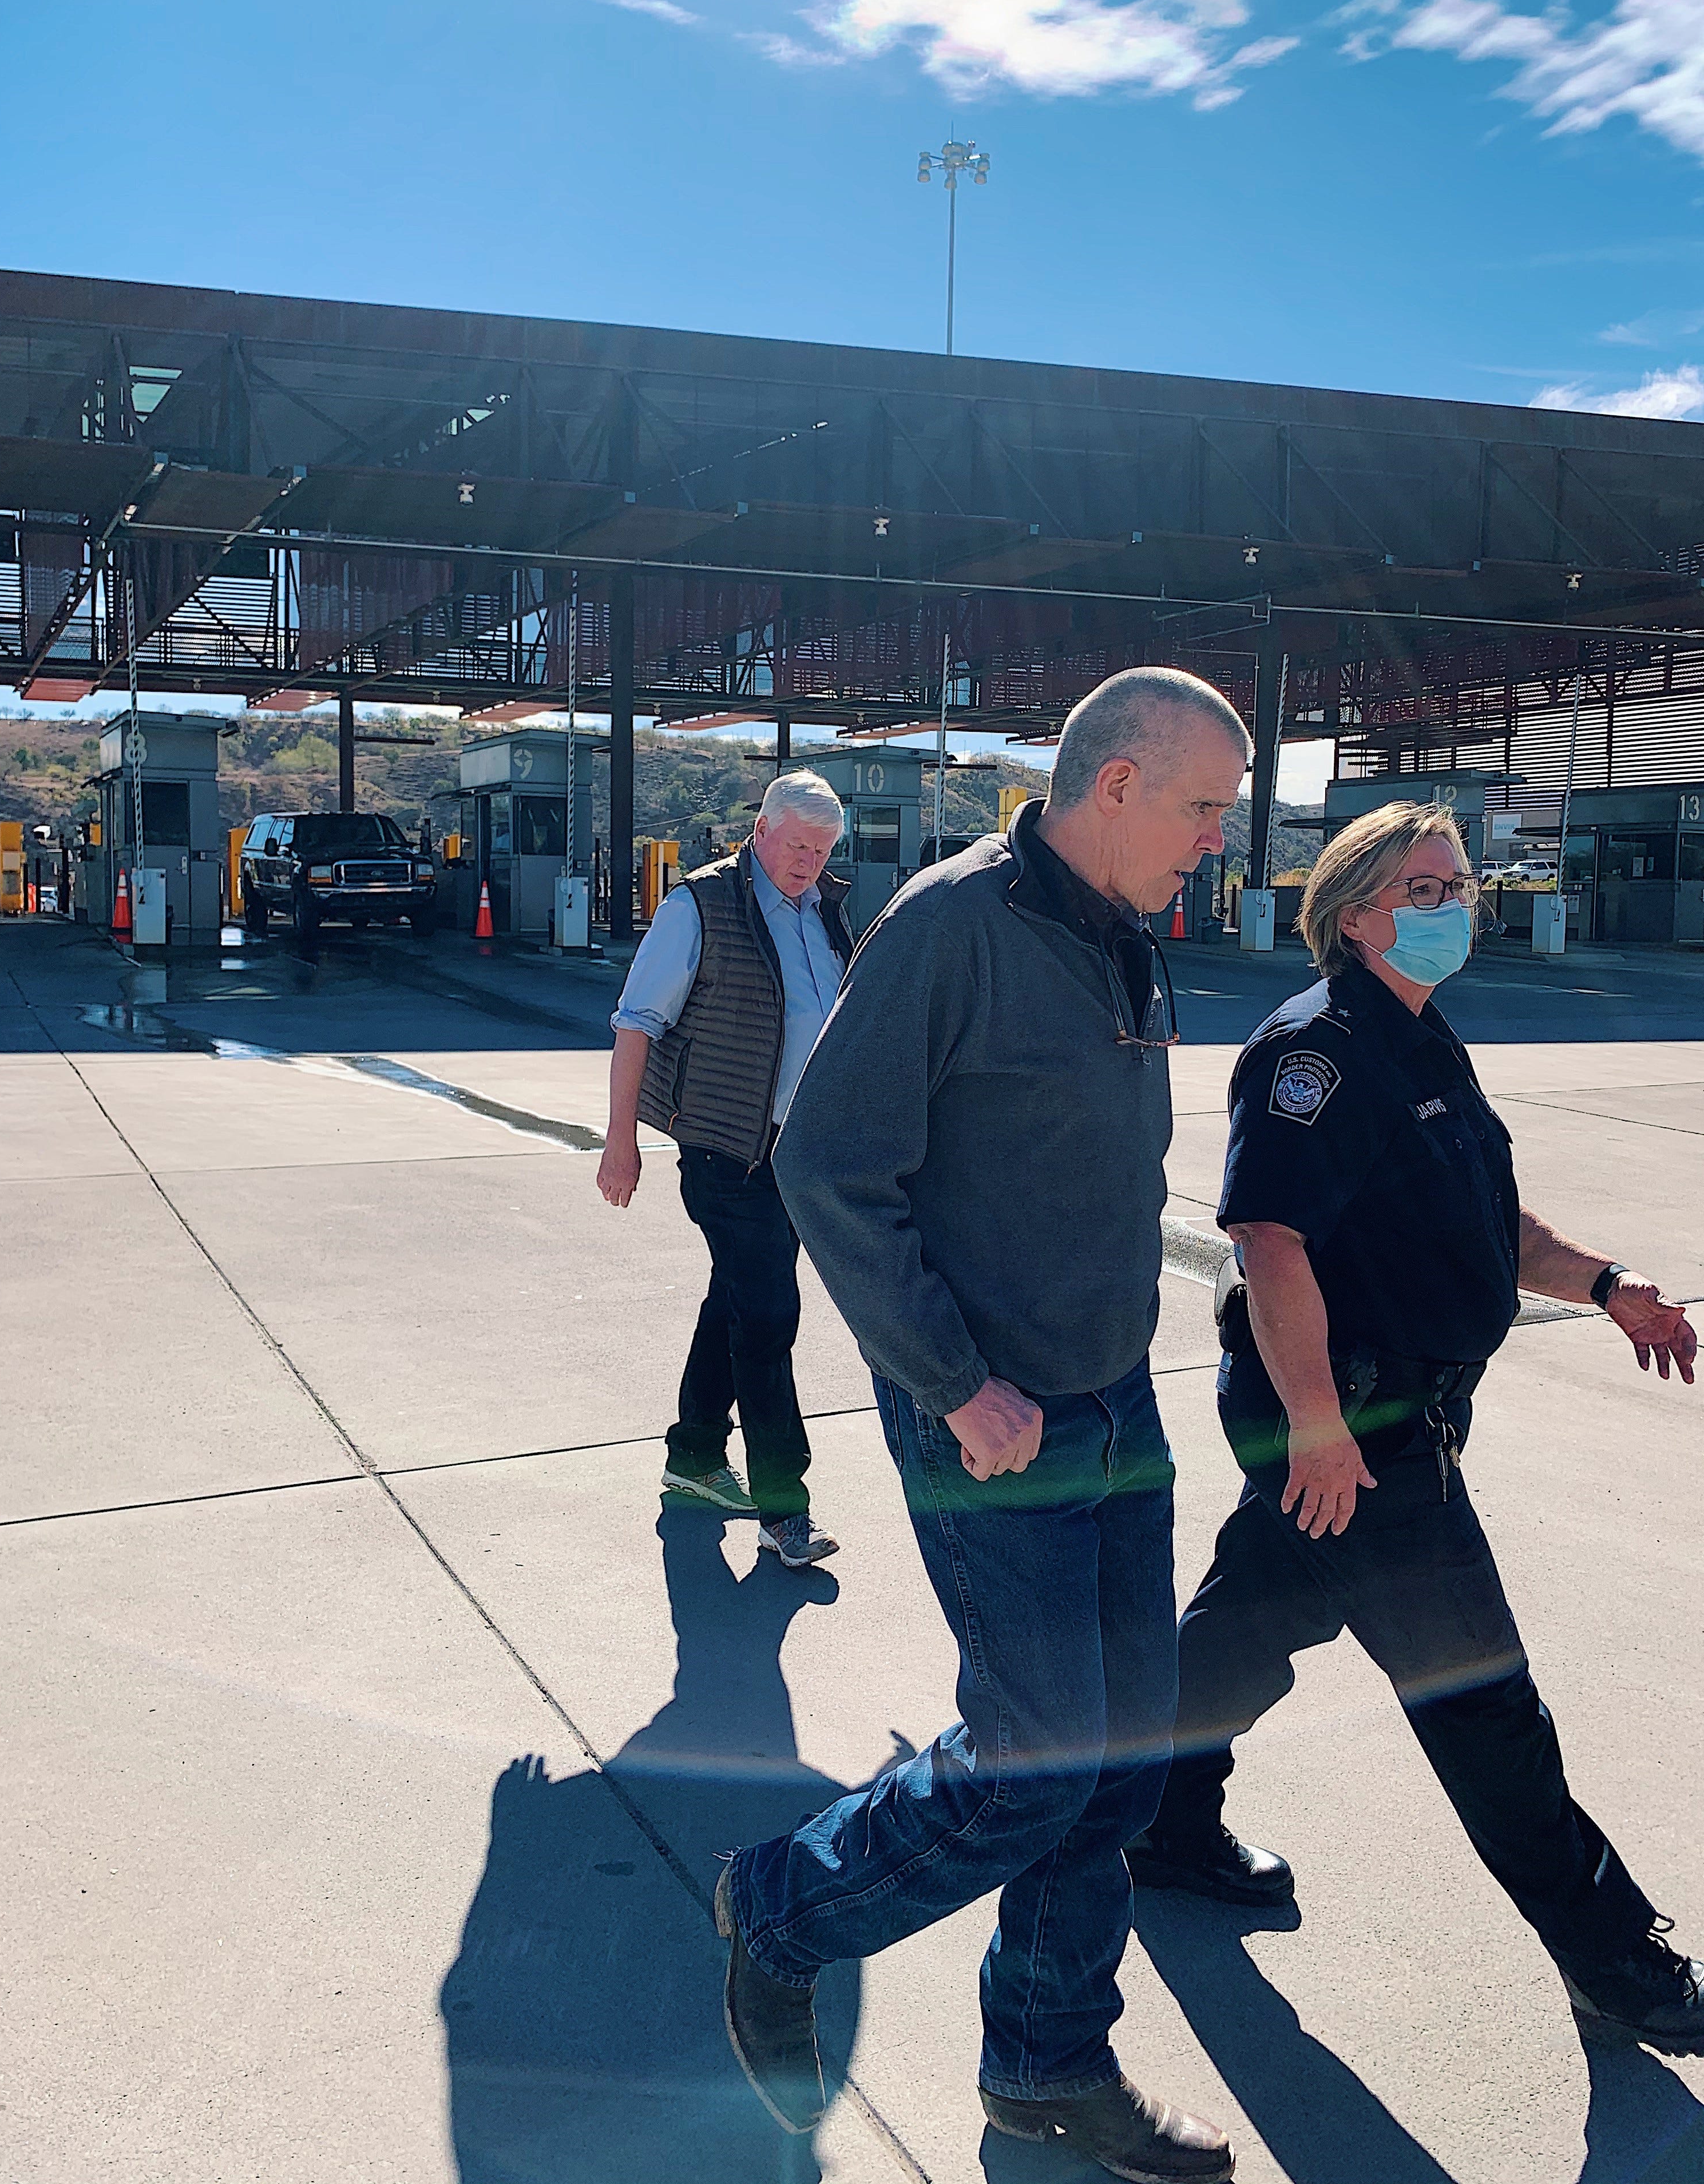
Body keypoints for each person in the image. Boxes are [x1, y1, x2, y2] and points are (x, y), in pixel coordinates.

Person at [713, 669, 1251, 2184]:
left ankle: (1046, 2066)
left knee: (1126, 1759)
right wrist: (953, 1381)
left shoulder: (1125, 935)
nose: (1223, 836)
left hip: (1112, 1398)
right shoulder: (955, 928)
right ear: (1122, 785)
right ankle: (782, 1911)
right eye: (1206, 804)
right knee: (1037, 1760)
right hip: (990, 1413)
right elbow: (828, 1164)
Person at [1127, 800, 1702, 2058]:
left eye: (1461, 887)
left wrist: (1610, 1288)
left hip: (1383, 1412)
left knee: (1249, 1624)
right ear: (1354, 911)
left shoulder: (1422, 1039)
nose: (1456, 908)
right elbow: (1267, 1241)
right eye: (1426, 889)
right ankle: (1610, 1957)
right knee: (1482, 1695)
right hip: (1356, 1422)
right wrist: (1321, 1429)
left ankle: (1156, 1821)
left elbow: (1492, 1225)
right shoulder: (1314, 1052)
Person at [597, 769, 852, 1569]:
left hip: (800, 1153)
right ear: (763, 831)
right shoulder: (701, 906)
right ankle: (786, 1509)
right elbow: (637, 1025)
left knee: (738, 1302)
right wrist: (620, 1140)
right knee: (769, 1315)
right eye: (800, 845)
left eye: (823, 849)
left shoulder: (829, 917)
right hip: (724, 1148)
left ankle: (696, 1456)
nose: (810, 862)